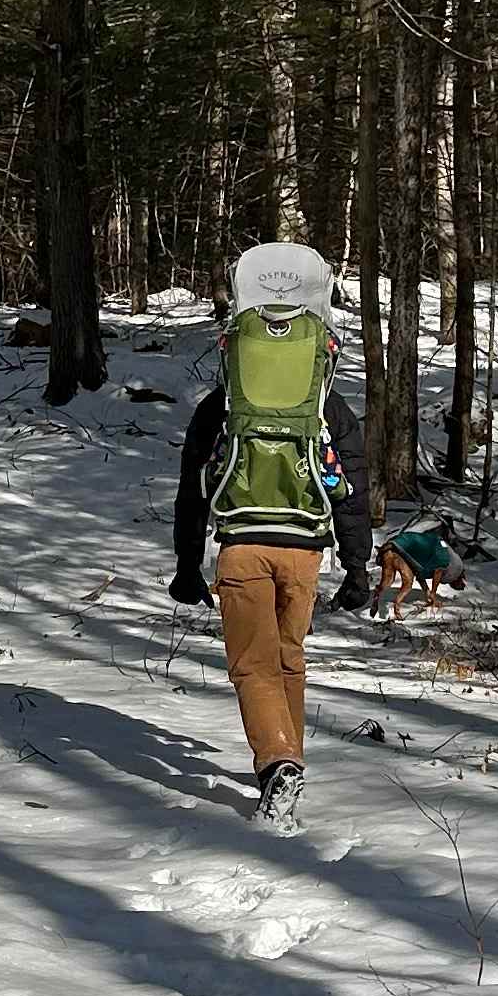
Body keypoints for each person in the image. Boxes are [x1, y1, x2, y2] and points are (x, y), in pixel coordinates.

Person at [169, 240, 371, 827]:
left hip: (242, 546)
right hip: (305, 549)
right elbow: (353, 487)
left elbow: (193, 487)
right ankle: (290, 760)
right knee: (288, 658)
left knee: (253, 664)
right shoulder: (327, 411)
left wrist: (187, 564)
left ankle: (279, 763)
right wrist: (357, 566)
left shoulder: (222, 409)